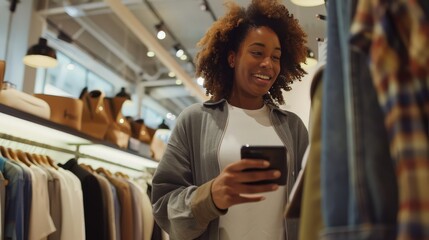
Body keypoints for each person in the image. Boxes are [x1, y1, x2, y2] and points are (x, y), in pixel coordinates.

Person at [151, 0, 309, 239]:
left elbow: (310, 203)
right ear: (232, 58)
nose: (267, 64)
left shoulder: (293, 127)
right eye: (257, 52)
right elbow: (163, 204)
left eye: (275, 57)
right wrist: (211, 196)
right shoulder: (195, 121)